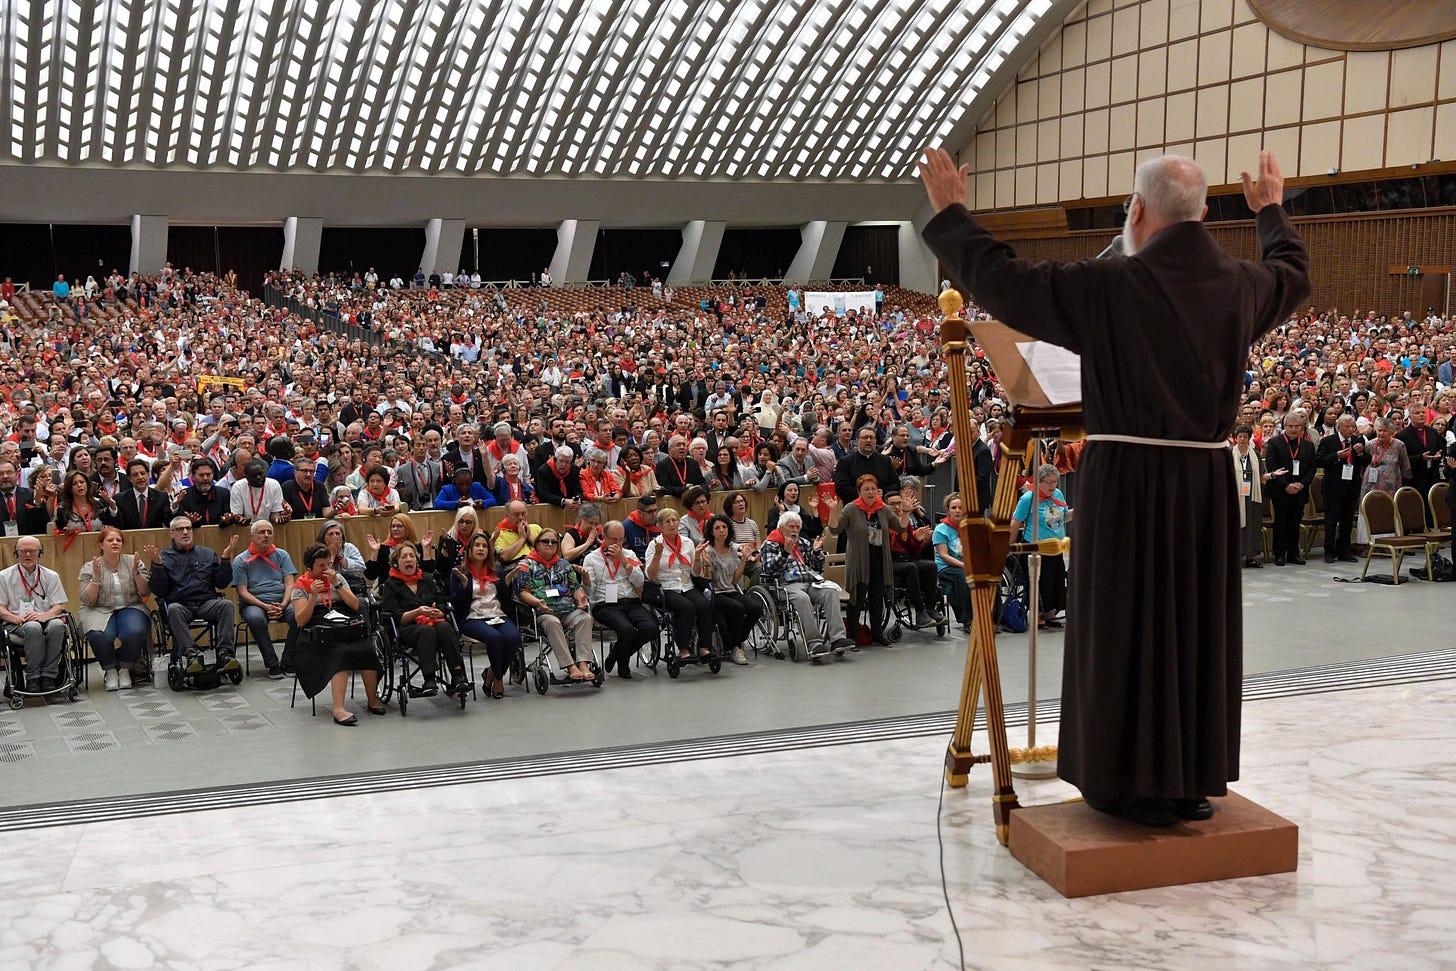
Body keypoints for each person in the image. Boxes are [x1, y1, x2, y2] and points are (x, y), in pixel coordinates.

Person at [919, 147, 1310, 826]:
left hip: (1127, 481)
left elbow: (1007, 281)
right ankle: (1188, 778)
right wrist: (1271, 211)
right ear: (1205, 213)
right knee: (1191, 627)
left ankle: (1124, 781)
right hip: (1205, 485)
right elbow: (1294, 273)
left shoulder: (1111, 286)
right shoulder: (1240, 284)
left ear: (1137, 210)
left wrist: (953, 213)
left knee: (1125, 625)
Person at [290, 543, 385, 725]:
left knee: (366, 648)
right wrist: (312, 596)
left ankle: (372, 699)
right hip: (317, 631)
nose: (327, 569)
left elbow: (356, 605)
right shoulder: (300, 586)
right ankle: (339, 709)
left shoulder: (338, 578)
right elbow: (301, 621)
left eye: (328, 564)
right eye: (321, 566)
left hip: (343, 623)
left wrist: (337, 584)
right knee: (339, 654)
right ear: (310, 567)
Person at [142, 516, 241, 673]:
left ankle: (225, 653)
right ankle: (191, 654)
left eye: (188, 528)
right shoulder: (164, 556)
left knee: (226, 605)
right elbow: (160, 591)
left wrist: (226, 558)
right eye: (180, 529)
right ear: (171, 534)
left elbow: (221, 583)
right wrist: (158, 565)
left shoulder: (208, 554)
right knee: (173, 609)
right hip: (181, 605)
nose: (186, 532)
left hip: (206, 603)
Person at [379, 538, 471, 698]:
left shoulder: (427, 579)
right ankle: (429, 680)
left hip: (434, 622)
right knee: (426, 631)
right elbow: (392, 615)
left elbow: (442, 601)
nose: (408, 559)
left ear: (416, 560)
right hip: (407, 627)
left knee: (445, 628)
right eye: (404, 557)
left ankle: (458, 676)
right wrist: (418, 612)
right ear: (396, 562)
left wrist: (440, 612)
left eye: (412, 556)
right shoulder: (391, 584)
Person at [757, 512, 855, 659]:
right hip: (786, 584)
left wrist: (816, 552)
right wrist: (785, 553)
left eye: (797, 527)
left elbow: (817, 566)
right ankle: (814, 642)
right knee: (802, 598)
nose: (795, 530)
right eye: (791, 526)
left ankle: (838, 638)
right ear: (782, 527)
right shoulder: (770, 544)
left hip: (810, 581)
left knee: (831, 592)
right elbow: (769, 570)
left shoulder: (803, 542)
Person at [510, 529, 595, 682]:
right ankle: (571, 667)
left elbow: (575, 588)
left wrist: (581, 598)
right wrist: (537, 602)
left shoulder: (564, 564)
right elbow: (521, 592)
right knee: (553, 622)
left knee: (585, 618)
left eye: (554, 542)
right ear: (536, 545)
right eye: (545, 541)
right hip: (543, 611)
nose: (550, 544)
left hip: (568, 609)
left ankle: (583, 664)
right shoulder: (525, 564)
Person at [448, 532, 521, 699]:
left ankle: (491, 673)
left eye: (484, 546)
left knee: (513, 637)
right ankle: (498, 679)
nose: (481, 549)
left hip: (497, 614)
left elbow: (505, 600)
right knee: (495, 638)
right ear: (470, 550)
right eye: (477, 545)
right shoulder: (459, 572)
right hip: (472, 617)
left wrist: (507, 583)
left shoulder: (497, 571)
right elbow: (456, 603)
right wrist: (465, 586)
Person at [77, 526, 151, 691]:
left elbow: (145, 591)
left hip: (130, 605)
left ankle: (125, 669)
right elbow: (87, 599)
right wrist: (96, 578)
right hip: (98, 607)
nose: (115, 543)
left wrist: (136, 573)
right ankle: (110, 670)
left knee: (135, 631)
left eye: (118, 540)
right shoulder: (90, 566)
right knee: (98, 634)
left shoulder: (133, 561)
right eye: (110, 540)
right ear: (101, 545)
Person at [583, 520, 658, 679]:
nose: (618, 543)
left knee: (651, 627)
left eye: (621, 539)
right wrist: (585, 580)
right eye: (614, 539)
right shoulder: (592, 558)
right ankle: (623, 665)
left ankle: (616, 654)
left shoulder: (629, 555)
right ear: (604, 537)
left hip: (630, 601)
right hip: (605, 605)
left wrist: (624, 561)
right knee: (627, 630)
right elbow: (590, 591)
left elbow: (639, 582)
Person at [0, 535, 70, 693]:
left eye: (32, 551)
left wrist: (42, 617)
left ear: (40, 553)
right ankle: (33, 677)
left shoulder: (51, 576)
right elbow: (1, 608)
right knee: (33, 628)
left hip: (45, 618)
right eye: (23, 551)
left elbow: (58, 606)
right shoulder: (4, 577)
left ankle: (49, 676)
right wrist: (16, 618)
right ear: (16, 553)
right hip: (15, 622)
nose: (28, 555)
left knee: (58, 626)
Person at [232, 519, 298, 679]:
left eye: (269, 532)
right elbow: (243, 592)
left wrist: (283, 605)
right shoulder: (240, 560)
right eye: (262, 532)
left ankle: (288, 661)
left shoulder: (282, 555)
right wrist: (265, 606)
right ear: (252, 536)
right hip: (254, 604)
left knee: (300, 616)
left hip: (282, 601)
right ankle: (272, 664)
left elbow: (290, 584)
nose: (266, 535)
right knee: (255, 619)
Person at [646, 508, 716, 661]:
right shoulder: (654, 545)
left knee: (704, 605)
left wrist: (697, 558)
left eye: (675, 520)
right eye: (668, 521)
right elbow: (650, 576)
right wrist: (658, 555)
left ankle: (704, 647)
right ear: (659, 526)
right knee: (687, 607)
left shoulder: (687, 543)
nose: (672, 524)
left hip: (686, 584)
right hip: (666, 587)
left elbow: (695, 573)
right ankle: (684, 649)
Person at [1010, 464, 1072, 631]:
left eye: (1055, 482)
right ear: (1039, 482)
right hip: (1036, 547)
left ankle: (1050, 614)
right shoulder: (1028, 498)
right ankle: (1037, 615)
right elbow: (1016, 521)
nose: (1053, 486)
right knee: (1042, 582)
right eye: (1049, 482)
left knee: (1057, 581)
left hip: (1056, 547)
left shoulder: (1057, 494)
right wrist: (1010, 545)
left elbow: (1064, 516)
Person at [838, 474, 896, 645]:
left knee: (877, 598)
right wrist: (833, 511)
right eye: (866, 489)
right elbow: (834, 530)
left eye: (873, 489)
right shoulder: (851, 508)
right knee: (857, 598)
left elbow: (899, 527)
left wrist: (906, 511)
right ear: (859, 492)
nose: (870, 492)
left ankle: (877, 633)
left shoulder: (883, 508)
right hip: (859, 560)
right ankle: (853, 636)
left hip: (879, 558)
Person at [699, 514, 762, 665]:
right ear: (711, 532)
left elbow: (734, 580)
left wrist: (744, 559)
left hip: (731, 589)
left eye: (724, 527)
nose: (722, 530)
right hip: (715, 592)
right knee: (738, 608)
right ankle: (735, 647)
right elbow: (708, 581)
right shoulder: (708, 551)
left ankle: (737, 640)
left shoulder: (733, 549)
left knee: (755, 608)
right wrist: (707, 565)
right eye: (717, 528)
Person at [886, 490, 945, 629]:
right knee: (911, 567)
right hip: (890, 562)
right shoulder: (885, 521)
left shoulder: (906, 523)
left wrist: (917, 541)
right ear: (885, 506)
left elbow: (912, 553)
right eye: (892, 504)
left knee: (930, 566)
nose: (896, 507)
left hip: (906, 560)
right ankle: (920, 612)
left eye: (898, 503)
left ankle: (930, 609)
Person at [1264, 408, 1316, 565]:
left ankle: (1294, 553)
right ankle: (1279, 554)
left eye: (1297, 426)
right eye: (1290, 426)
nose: (1294, 429)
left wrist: (1302, 484)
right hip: (1280, 489)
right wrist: (1286, 485)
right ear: (1284, 427)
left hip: (1300, 489)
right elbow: (1272, 466)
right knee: (1281, 521)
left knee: (1295, 521)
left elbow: (1312, 468)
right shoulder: (1274, 443)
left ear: (1302, 427)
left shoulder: (1308, 445)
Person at [1314, 414, 1368, 563]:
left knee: (1347, 520)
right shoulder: (1328, 441)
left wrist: (1361, 452)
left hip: (1351, 487)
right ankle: (1329, 551)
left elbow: (1367, 460)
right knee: (1331, 521)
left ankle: (1344, 550)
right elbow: (1319, 460)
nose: (1350, 430)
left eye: (1353, 427)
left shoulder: (1358, 440)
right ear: (1339, 427)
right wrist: (1336, 456)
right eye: (1347, 427)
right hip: (1333, 487)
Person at [932, 494, 972, 632]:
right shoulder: (941, 529)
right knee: (964, 577)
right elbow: (943, 555)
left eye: (960, 508)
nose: (957, 510)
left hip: (966, 564)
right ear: (948, 510)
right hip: (946, 567)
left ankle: (993, 617)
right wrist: (964, 565)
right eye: (953, 507)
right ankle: (968, 620)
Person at [1230, 425, 1269, 568]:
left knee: (1252, 525)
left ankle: (1251, 557)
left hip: (1252, 495)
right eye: (1239, 436)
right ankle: (1235, 556)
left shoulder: (1255, 454)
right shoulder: (1230, 454)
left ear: (1248, 439)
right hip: (1235, 496)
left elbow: (1261, 474)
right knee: (1236, 525)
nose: (1242, 439)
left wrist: (1272, 475)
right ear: (1235, 438)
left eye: (1245, 437)